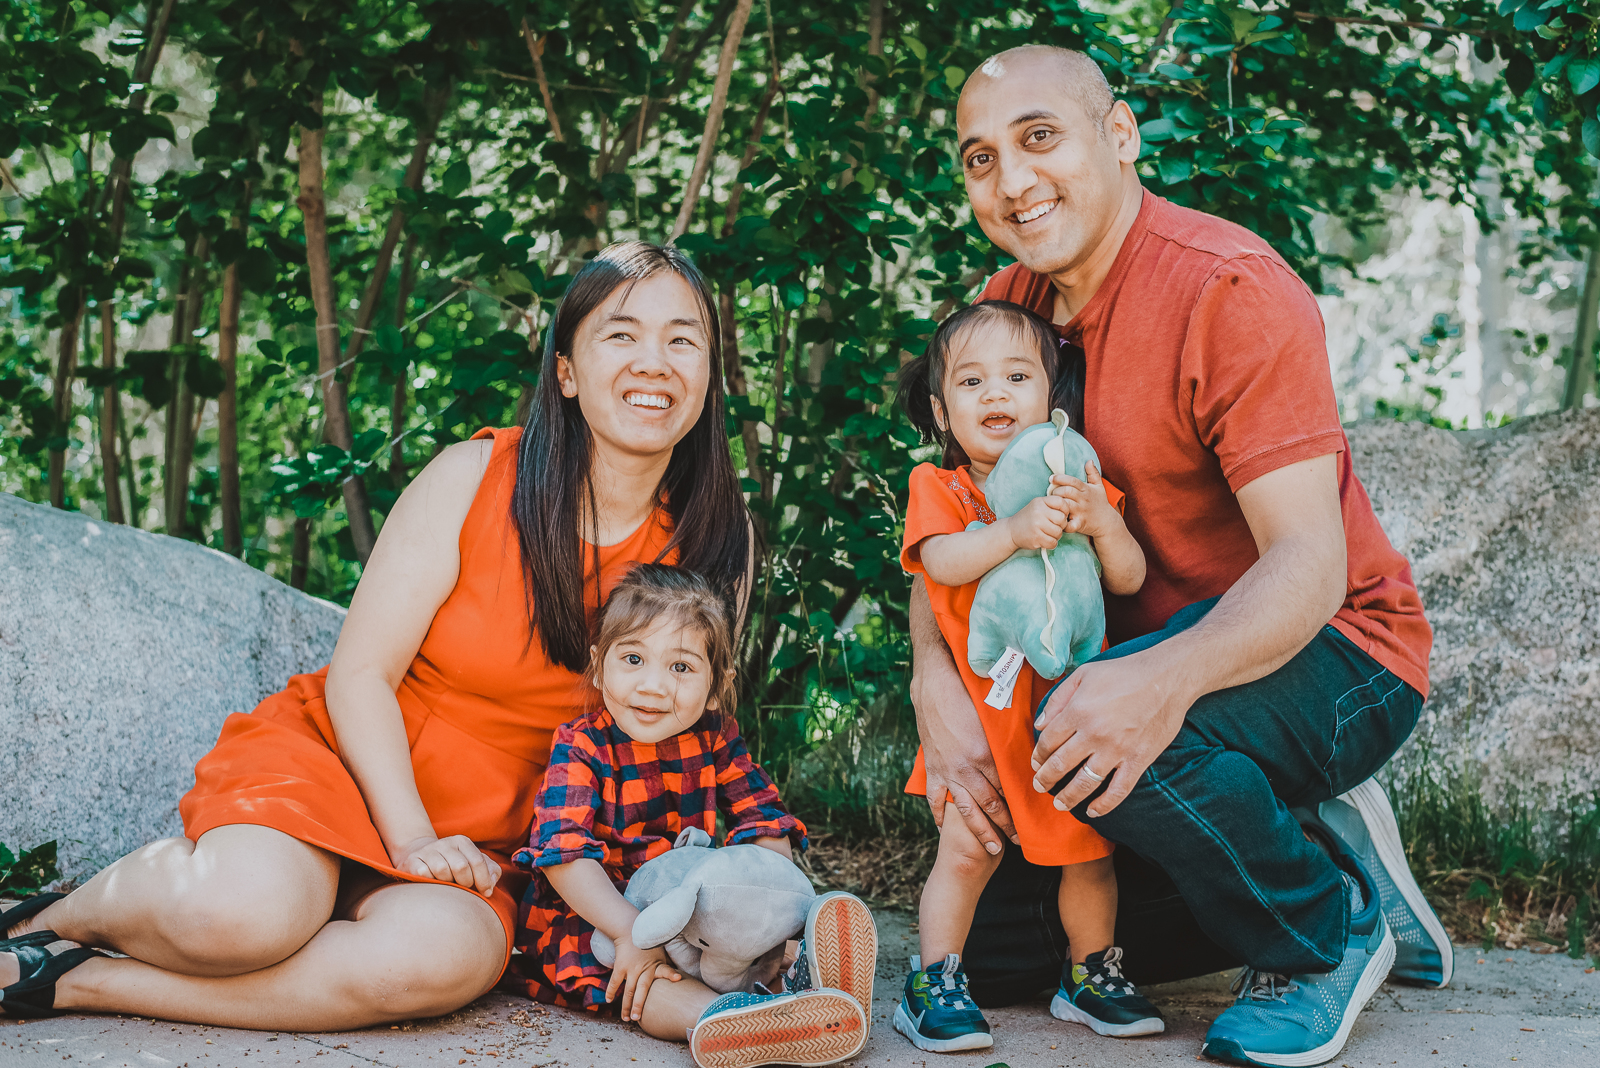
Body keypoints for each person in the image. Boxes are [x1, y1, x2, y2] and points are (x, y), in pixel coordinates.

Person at [0, 243, 877, 1058]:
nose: (655, 362)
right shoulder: (475, 476)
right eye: (622, 334)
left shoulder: (718, 539)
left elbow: (688, 744)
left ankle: (77, 982)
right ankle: (49, 918)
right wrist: (411, 835)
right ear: (567, 373)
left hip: (493, 846)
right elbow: (363, 673)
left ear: (708, 375)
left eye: (683, 340)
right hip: (349, 766)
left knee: (441, 964)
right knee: (246, 915)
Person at [908, 46, 1449, 1068]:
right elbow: (947, 525)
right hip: (1116, 664)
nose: (1011, 181)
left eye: (1038, 138)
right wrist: (936, 681)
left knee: (1113, 733)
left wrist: (1153, 683)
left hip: (1336, 650)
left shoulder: (1228, 288)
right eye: (979, 158)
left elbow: (1307, 567)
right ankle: (1305, 834)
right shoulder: (1006, 307)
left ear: (1118, 136)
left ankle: (1326, 926)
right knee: (997, 945)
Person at [890, 300, 1160, 1053]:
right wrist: (1010, 530)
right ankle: (935, 980)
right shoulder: (940, 489)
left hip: (1064, 718)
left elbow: (1131, 578)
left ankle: (1090, 973)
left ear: (1052, 400)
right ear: (944, 411)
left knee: (1089, 854)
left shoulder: (1076, 479)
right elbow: (940, 561)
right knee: (967, 849)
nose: (997, 394)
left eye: (1017, 376)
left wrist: (1102, 523)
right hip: (981, 719)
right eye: (972, 383)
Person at [511, 563, 868, 1068]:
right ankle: (739, 1019)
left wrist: (771, 913)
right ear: (598, 665)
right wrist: (629, 934)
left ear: (716, 684)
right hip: (599, 918)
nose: (654, 686)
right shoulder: (582, 744)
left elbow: (763, 823)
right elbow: (563, 854)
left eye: (681, 667)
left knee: (755, 950)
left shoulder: (715, 737)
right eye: (633, 658)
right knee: (649, 988)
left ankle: (803, 981)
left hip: (692, 915)